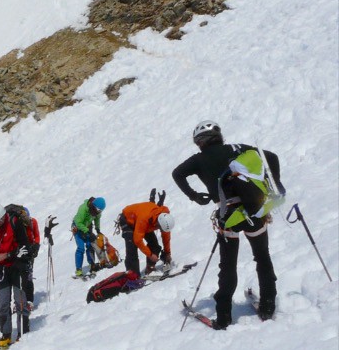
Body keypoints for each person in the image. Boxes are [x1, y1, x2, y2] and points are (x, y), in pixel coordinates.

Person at [171, 120, 284, 328]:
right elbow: (272, 157)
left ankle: (224, 316)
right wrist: (276, 184)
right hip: (254, 210)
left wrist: (195, 196)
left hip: (228, 216)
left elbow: (177, 174)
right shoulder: (238, 148)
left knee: (228, 265)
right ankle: (268, 306)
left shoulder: (198, 159)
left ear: (200, 142)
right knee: (263, 257)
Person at [0, 203, 38, 346]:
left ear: (3, 217)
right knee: (3, 303)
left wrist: (6, 255)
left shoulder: (15, 222)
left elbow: (25, 247)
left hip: (18, 266)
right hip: (2, 269)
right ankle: (6, 334)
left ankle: (23, 332)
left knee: (20, 301)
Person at [117, 201, 174, 274]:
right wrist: (150, 255)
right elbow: (138, 240)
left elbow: (166, 238)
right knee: (132, 249)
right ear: (158, 223)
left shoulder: (165, 220)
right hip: (128, 221)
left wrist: (167, 253)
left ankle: (150, 268)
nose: (160, 230)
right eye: (159, 228)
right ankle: (132, 277)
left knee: (154, 245)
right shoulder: (145, 218)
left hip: (144, 222)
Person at [72, 196, 106, 277]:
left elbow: (97, 219)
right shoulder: (83, 209)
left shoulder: (97, 212)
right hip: (77, 227)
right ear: (93, 206)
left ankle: (92, 264)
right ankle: (78, 269)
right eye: (97, 210)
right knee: (81, 248)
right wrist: (87, 232)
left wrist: (97, 229)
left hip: (87, 227)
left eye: (100, 211)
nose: (98, 212)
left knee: (89, 245)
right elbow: (78, 222)